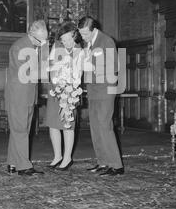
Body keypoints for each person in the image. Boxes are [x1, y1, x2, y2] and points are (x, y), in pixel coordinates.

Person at [78, 16, 124, 176]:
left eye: (85, 34)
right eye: (81, 34)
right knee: (95, 127)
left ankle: (116, 165)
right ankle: (103, 162)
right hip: (93, 90)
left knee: (105, 126)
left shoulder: (106, 41)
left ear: (94, 29)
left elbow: (114, 67)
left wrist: (93, 67)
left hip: (105, 89)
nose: (83, 38)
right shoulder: (89, 42)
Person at [5, 20, 48, 176]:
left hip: (27, 95)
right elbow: (27, 74)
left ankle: (12, 163)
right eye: (42, 39)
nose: (44, 42)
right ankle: (24, 166)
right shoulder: (20, 46)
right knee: (21, 130)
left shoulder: (31, 46)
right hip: (19, 96)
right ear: (33, 34)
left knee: (19, 130)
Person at [45, 22, 85, 171]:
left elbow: (78, 75)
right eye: (62, 39)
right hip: (55, 89)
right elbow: (51, 66)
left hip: (70, 91)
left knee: (67, 125)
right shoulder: (57, 46)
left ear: (74, 35)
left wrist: (67, 91)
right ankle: (57, 156)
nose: (65, 42)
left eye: (68, 39)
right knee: (53, 123)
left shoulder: (80, 51)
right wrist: (56, 82)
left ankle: (67, 158)